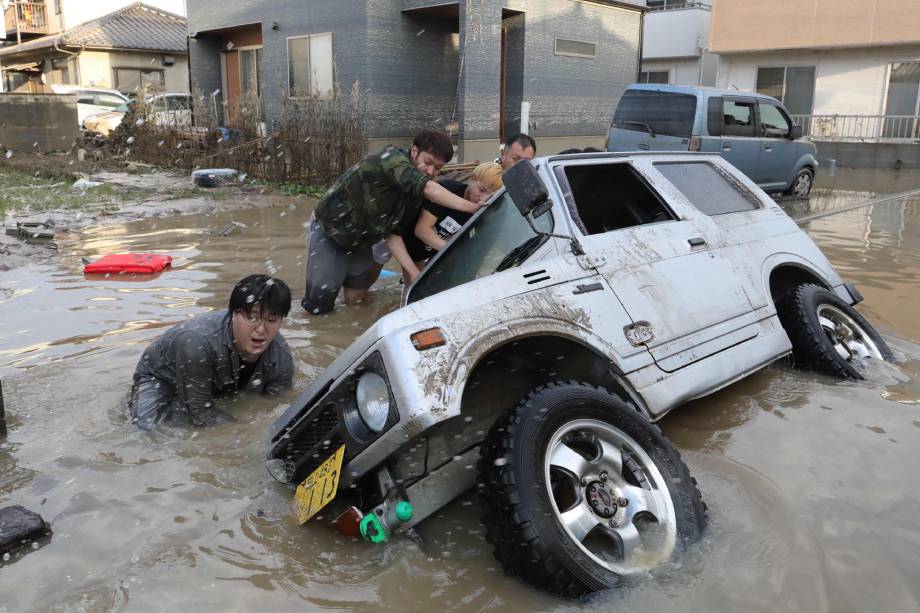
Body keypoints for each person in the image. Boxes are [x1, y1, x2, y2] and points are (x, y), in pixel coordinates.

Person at [302, 129, 485, 314]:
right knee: (319, 307)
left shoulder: (414, 196)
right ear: (414, 151)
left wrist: (414, 274)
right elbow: (428, 189)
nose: (430, 171)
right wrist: (472, 207)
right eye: (428, 162)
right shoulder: (390, 159)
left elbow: (393, 234)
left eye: (437, 168)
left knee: (357, 298)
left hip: (363, 240)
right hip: (329, 231)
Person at [129, 274, 294, 429]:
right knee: (146, 427)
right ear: (234, 314)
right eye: (252, 317)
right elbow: (201, 414)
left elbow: (278, 402)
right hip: (163, 378)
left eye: (272, 320)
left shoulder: (280, 355)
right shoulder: (196, 343)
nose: (261, 329)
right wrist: (243, 430)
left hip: (220, 381)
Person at [394, 162, 504, 280]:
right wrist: (454, 252)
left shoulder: (485, 210)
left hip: (425, 251)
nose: (483, 198)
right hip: (398, 235)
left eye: (490, 196)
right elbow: (422, 230)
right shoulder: (447, 190)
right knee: (375, 268)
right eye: (482, 190)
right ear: (472, 179)